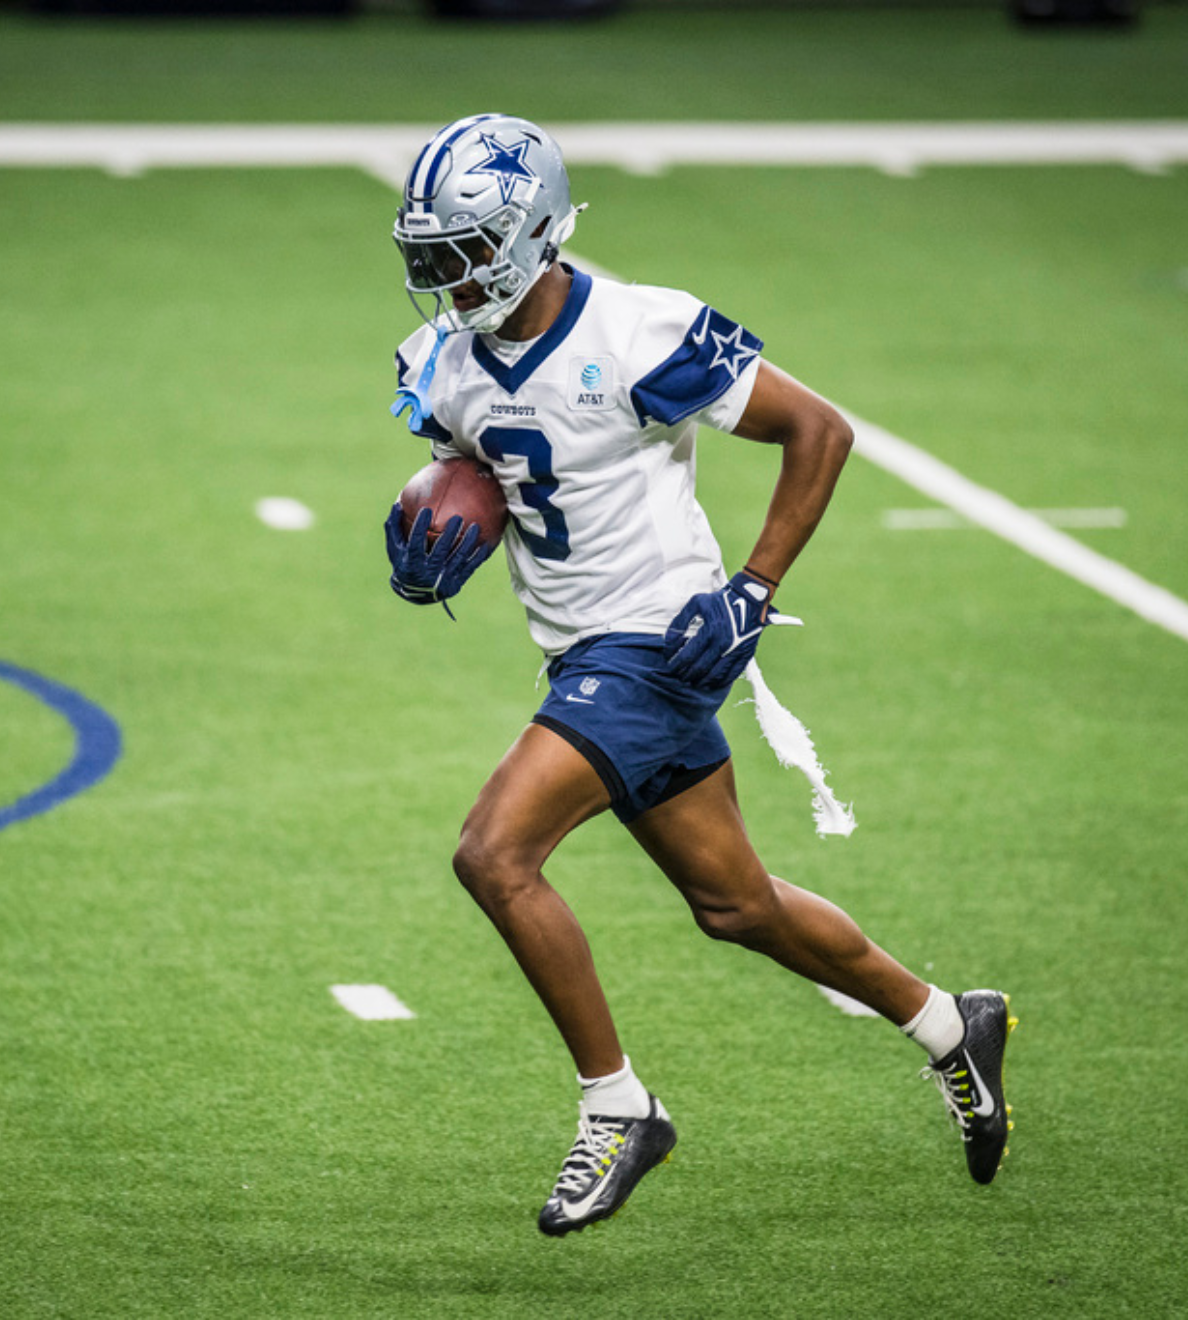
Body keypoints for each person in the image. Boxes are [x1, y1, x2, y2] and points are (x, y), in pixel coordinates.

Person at [382, 114, 1014, 1236]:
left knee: (494, 854)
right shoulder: (444, 363)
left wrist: (756, 589)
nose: (448, 275)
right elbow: (471, 466)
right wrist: (427, 517)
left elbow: (819, 430)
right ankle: (946, 1027)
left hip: (662, 643)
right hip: (581, 654)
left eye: (468, 249)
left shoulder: (639, 331)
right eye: (433, 254)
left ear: (532, 233)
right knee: (736, 905)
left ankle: (618, 1108)